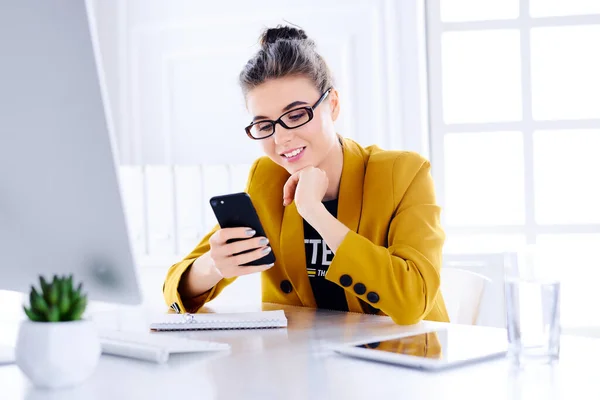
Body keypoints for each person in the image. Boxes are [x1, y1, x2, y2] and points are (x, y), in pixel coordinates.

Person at [163, 25, 449, 325]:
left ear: (333, 105)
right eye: (264, 125)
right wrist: (213, 266)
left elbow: (413, 302)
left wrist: (314, 212)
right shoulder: (267, 178)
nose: (281, 138)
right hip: (302, 362)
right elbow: (173, 291)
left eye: (297, 115)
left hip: (406, 360)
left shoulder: (403, 173)